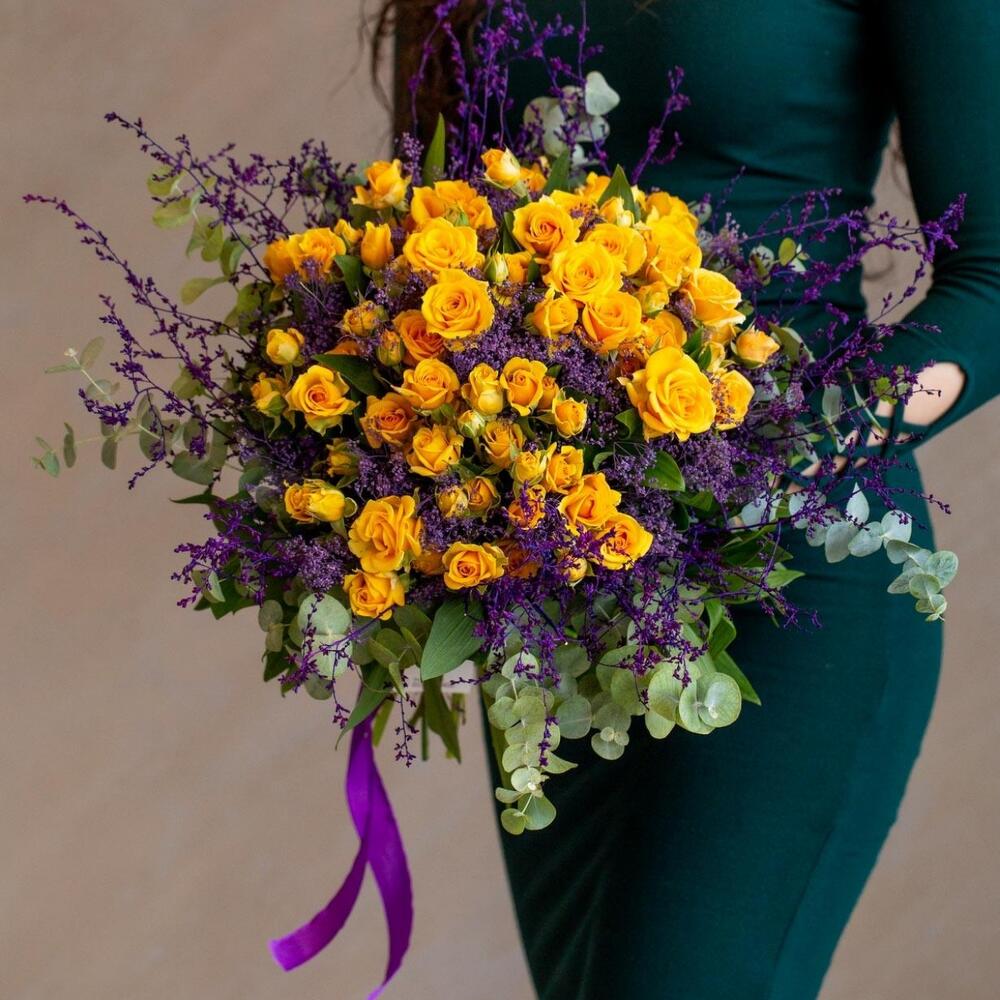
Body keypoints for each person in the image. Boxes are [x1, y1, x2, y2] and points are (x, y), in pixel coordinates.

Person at [377, 2, 999, 996]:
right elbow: (444, 231)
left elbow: (994, 282)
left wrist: (794, 455)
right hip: (558, 590)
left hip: (787, 571)